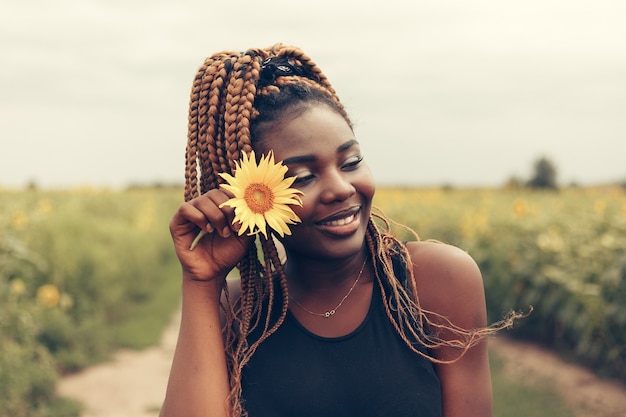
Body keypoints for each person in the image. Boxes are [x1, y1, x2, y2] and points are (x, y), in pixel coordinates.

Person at [160, 44, 518, 417]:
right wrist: (201, 283)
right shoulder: (237, 311)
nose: (341, 188)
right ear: (250, 197)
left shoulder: (433, 281)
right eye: (303, 177)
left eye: (351, 162)